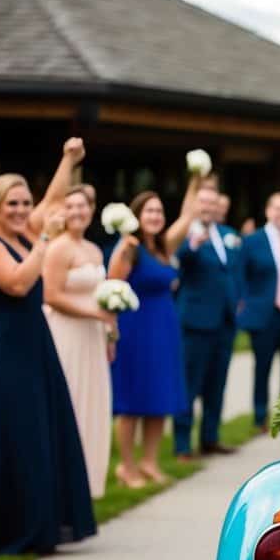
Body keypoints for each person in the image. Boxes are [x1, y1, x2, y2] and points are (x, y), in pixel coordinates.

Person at [0, 137, 97, 555]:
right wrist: (47, 238)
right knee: (19, 435)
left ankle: (45, 527)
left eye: (25, 203)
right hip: (8, 349)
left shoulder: (25, 235)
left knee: (44, 433)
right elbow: (19, 282)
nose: (22, 210)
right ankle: (15, 532)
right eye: (12, 204)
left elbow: (53, 198)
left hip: (36, 343)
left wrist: (67, 159)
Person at [109, 172, 200, 487]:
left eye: (159, 212)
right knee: (133, 401)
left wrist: (196, 178)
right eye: (149, 211)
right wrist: (111, 332)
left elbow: (188, 215)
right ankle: (127, 466)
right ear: (136, 215)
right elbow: (111, 289)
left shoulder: (164, 249)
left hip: (164, 329)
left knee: (159, 398)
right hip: (135, 332)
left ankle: (149, 461)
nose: (155, 216)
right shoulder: (129, 248)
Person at [43, 185, 114, 498]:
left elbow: (100, 296)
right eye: (70, 207)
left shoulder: (95, 250)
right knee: (71, 402)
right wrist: (94, 314)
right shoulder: (58, 248)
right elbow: (51, 295)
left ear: (91, 210)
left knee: (93, 405)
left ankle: (87, 485)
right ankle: (63, 484)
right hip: (66, 334)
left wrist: (110, 329)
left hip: (93, 337)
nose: (77, 212)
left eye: (82, 206)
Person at [172, 184, 238, 461]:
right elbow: (181, 260)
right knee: (189, 384)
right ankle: (183, 445)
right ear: (194, 205)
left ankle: (210, 438)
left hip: (225, 321)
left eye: (212, 203)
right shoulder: (186, 235)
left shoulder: (226, 235)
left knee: (216, 383)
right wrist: (192, 245)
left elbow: (232, 272)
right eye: (203, 203)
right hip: (195, 322)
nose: (208, 208)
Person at [235, 192, 280, 432]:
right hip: (263, 315)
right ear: (268, 211)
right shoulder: (252, 241)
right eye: (278, 208)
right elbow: (239, 277)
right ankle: (260, 416)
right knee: (263, 367)